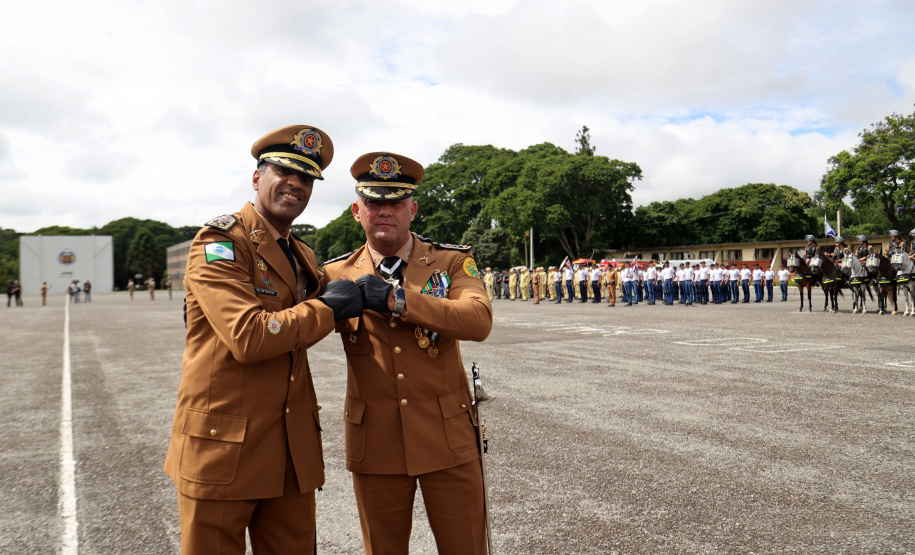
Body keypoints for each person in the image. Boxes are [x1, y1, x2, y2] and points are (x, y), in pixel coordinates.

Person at [163, 124, 363, 554]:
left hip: (290, 450)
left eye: (306, 178)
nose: (295, 185)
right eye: (283, 172)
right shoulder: (221, 242)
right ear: (257, 178)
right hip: (224, 450)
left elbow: (310, 319)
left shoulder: (303, 254)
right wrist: (330, 308)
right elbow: (249, 336)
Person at [321, 151, 492, 555]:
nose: (385, 211)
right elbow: (289, 317)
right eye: (374, 202)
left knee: (466, 547)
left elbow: (478, 319)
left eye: (395, 202)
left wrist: (399, 300)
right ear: (356, 211)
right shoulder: (332, 273)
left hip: (447, 437)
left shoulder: (451, 261)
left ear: (412, 209)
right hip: (375, 441)